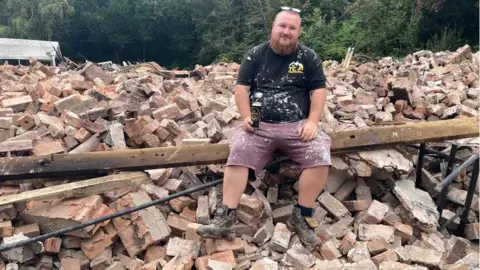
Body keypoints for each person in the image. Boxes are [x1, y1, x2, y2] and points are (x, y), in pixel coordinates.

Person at [196, 7, 331, 249]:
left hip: (297, 125)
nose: (286, 31)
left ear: (299, 31)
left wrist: (312, 122)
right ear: (273, 26)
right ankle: (226, 217)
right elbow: (242, 88)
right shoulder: (255, 55)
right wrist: (246, 116)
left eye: (292, 28)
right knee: (238, 151)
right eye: (282, 26)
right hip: (259, 125)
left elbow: (319, 91)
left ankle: (302, 215)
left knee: (320, 153)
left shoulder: (308, 57)